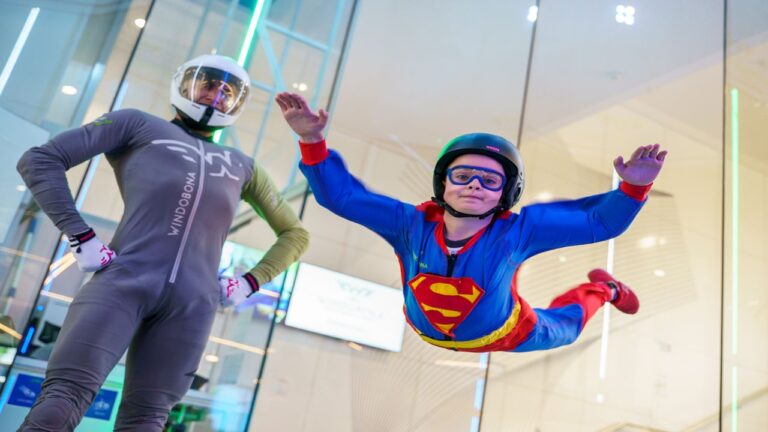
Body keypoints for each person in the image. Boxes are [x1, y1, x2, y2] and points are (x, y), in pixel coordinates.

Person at [16, 55, 309, 430]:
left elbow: (296, 234)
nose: (217, 94)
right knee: (62, 400)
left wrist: (252, 281)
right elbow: (40, 160)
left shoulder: (243, 166)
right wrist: (79, 233)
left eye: (228, 91)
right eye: (209, 84)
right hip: (122, 284)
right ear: (185, 83)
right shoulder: (136, 124)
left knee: (148, 420)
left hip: (192, 305)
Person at [276, 91, 666, 353]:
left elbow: (599, 223)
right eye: (463, 176)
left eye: (490, 180)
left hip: (511, 331)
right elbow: (340, 196)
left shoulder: (519, 231)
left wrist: (634, 185)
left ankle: (606, 290)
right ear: (442, 184)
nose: (475, 186)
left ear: (505, 194)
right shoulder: (407, 225)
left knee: (566, 328)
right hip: (424, 331)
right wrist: (312, 141)